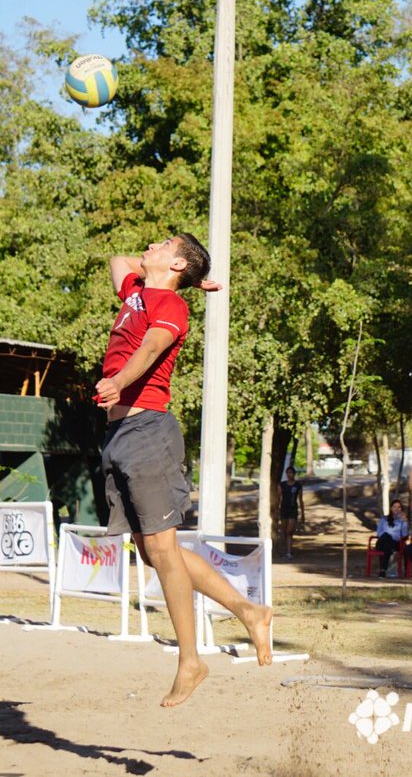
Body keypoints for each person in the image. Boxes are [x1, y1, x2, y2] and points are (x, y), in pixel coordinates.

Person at [95, 234, 273, 706]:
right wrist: (181, 271)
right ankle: (249, 611)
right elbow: (117, 256)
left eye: (163, 243)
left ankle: (190, 660)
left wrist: (118, 381)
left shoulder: (171, 304)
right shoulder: (138, 290)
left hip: (147, 430)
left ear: (176, 262)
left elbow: (152, 349)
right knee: (156, 553)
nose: (149, 243)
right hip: (120, 435)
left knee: (162, 548)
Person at [374, 499, 409, 577]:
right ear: (391, 508)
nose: (396, 509)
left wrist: (405, 522)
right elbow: (379, 533)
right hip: (381, 543)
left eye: (399, 507)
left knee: (388, 545)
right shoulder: (384, 519)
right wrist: (388, 536)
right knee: (386, 536)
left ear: (401, 509)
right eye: (394, 506)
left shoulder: (402, 521)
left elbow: (404, 535)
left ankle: (383, 570)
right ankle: (393, 552)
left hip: (395, 544)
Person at [279, 466, 304, 560]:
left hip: (293, 509)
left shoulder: (298, 485)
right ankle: (283, 549)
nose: (289, 474)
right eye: (288, 473)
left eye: (291, 473)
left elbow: (301, 500)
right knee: (284, 530)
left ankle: (289, 552)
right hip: (284, 509)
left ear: (294, 474)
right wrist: (277, 509)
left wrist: (303, 514)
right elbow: (279, 498)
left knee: (289, 531)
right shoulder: (282, 485)